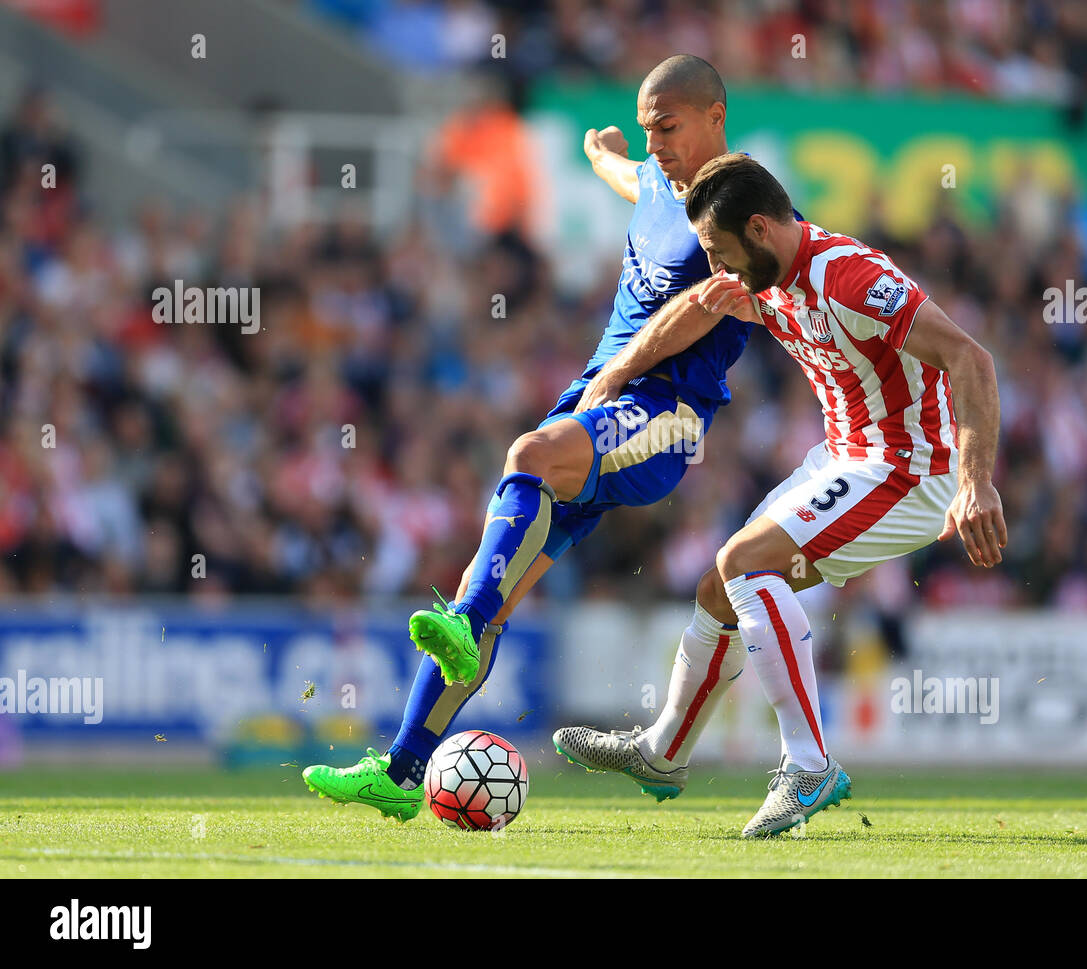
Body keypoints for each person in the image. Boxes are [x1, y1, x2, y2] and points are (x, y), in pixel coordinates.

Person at [303, 56, 764, 821]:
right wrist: (600, 152)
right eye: (649, 132)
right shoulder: (656, 180)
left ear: (715, 115)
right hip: (606, 402)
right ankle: (402, 768)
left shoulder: (739, 211)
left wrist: (624, 366)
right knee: (494, 598)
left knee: (526, 457)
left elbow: (722, 301)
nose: (657, 146)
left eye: (670, 129)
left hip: (666, 417)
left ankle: (464, 620)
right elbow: (630, 177)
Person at [554, 153, 1008, 837]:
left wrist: (975, 484)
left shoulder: (852, 279)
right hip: (849, 457)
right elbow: (698, 308)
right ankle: (664, 752)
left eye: (721, 252)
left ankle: (808, 764)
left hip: (913, 468)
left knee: (747, 564)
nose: (718, 270)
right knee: (719, 586)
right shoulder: (759, 271)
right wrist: (618, 368)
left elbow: (971, 358)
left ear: (761, 228)